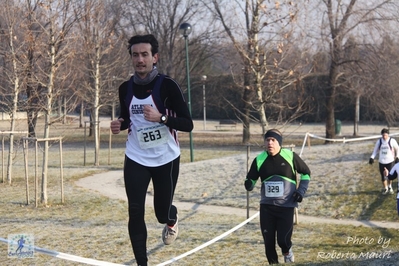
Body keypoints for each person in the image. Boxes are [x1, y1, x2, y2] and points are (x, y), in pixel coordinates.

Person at [110, 34, 193, 266]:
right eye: (135, 55)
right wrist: (120, 123)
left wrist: (162, 117)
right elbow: (128, 118)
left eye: (145, 55)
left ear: (154, 57)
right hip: (136, 157)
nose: (140, 59)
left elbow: (188, 124)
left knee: (160, 213)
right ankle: (142, 263)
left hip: (166, 158)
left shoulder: (168, 86)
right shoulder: (125, 88)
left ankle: (171, 217)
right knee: (135, 210)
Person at [244, 129, 311, 264]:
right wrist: (249, 184)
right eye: (267, 140)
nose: (270, 143)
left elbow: (306, 173)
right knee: (268, 243)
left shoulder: (290, 156)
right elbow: (251, 179)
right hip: (267, 207)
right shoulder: (259, 159)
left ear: (279, 142)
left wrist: (300, 191)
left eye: (273, 140)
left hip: (286, 206)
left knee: (283, 240)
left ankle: (287, 251)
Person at [369, 128, 399, 195]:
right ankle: (385, 188)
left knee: (389, 176)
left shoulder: (392, 141)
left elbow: (397, 148)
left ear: (388, 135)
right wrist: (372, 157)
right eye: (383, 135)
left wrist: (397, 157)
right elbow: (375, 151)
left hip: (390, 161)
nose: (384, 137)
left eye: (385, 135)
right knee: (383, 176)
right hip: (381, 161)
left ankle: (390, 187)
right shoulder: (379, 142)